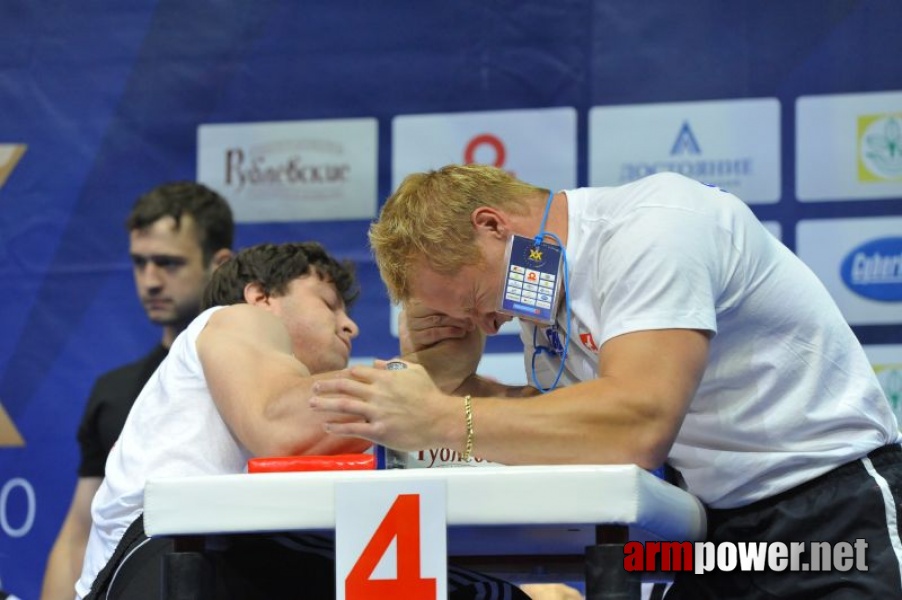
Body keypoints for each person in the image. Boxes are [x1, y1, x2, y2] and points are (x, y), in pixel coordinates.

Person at [309, 164, 902, 598]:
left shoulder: (653, 226)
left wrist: (441, 419)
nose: (490, 323)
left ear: (493, 225)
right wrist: (455, 386)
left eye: (473, 300)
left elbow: (637, 422)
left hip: (833, 508)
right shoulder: (541, 287)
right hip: (718, 532)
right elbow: (574, 431)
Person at [74, 241, 533, 600]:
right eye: (330, 303)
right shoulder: (236, 320)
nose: (349, 325)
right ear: (262, 296)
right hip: (162, 562)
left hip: (190, 561)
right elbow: (279, 427)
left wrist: (440, 385)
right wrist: (429, 369)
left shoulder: (306, 403)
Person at [40, 181, 234, 600]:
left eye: (168, 263)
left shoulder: (255, 383)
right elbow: (79, 533)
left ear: (218, 264)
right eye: (140, 263)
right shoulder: (113, 392)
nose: (150, 281)